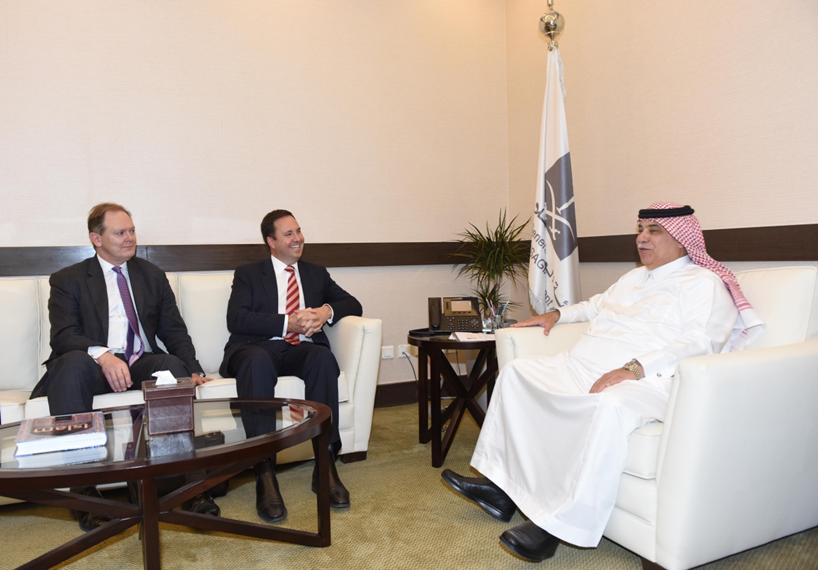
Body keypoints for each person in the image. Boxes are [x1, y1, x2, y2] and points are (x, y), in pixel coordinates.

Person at [441, 202, 763, 562]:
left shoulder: (703, 284)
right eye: (640, 229)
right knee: (517, 373)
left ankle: (554, 526)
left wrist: (636, 367)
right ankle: (500, 489)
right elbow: (594, 306)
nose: (642, 237)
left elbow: (702, 341)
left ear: (683, 239)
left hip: (649, 382)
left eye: (654, 230)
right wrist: (557, 314)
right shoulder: (634, 277)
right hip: (583, 365)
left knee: (609, 404)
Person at [30, 203, 218, 530]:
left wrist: (192, 368)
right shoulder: (67, 280)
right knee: (72, 364)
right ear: (96, 239)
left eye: (131, 230)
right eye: (120, 233)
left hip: (139, 362)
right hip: (89, 366)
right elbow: (64, 336)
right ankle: (85, 492)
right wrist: (103, 355)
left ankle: (192, 484)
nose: (130, 238)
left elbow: (173, 329)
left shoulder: (152, 276)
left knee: (172, 367)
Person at [220, 209, 362, 523]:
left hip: (301, 351)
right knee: (257, 362)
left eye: (298, 231)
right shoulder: (248, 274)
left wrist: (325, 311)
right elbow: (237, 319)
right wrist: (289, 323)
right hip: (258, 347)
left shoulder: (315, 273)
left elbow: (353, 303)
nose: (297, 238)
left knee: (323, 358)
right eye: (288, 234)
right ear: (271, 241)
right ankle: (264, 470)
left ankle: (325, 463)